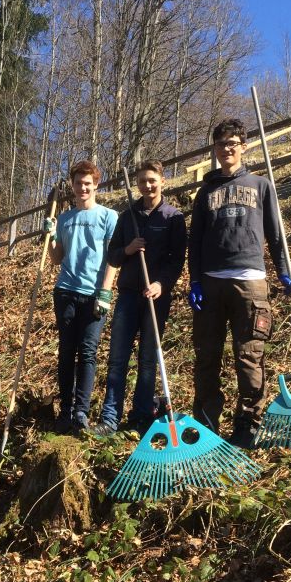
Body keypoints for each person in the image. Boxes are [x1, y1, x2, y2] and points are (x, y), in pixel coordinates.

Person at [187, 118, 291, 450]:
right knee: (207, 355)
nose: (227, 149)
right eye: (221, 144)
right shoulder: (206, 192)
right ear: (215, 149)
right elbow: (195, 242)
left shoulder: (261, 186)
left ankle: (248, 424)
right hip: (211, 282)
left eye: (233, 143)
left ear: (243, 146)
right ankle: (206, 422)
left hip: (250, 282)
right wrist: (194, 280)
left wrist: (283, 271)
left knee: (249, 355)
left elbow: (276, 234)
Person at [91, 159, 186, 437]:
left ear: (162, 181)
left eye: (152, 180)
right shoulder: (127, 217)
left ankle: (141, 415)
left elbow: (177, 259)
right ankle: (110, 419)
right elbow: (113, 255)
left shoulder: (172, 217)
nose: (147, 185)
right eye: (142, 181)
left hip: (156, 298)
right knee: (118, 358)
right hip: (129, 296)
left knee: (147, 360)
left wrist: (161, 284)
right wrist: (129, 249)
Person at [45, 160, 118, 434]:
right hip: (65, 292)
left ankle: (81, 412)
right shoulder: (64, 218)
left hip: (94, 295)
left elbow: (113, 257)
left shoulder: (109, 217)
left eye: (88, 183)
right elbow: (55, 259)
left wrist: (106, 292)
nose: (83, 188)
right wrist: (51, 236)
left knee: (88, 352)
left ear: (96, 184)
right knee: (66, 351)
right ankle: (65, 410)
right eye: (78, 183)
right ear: (73, 186)